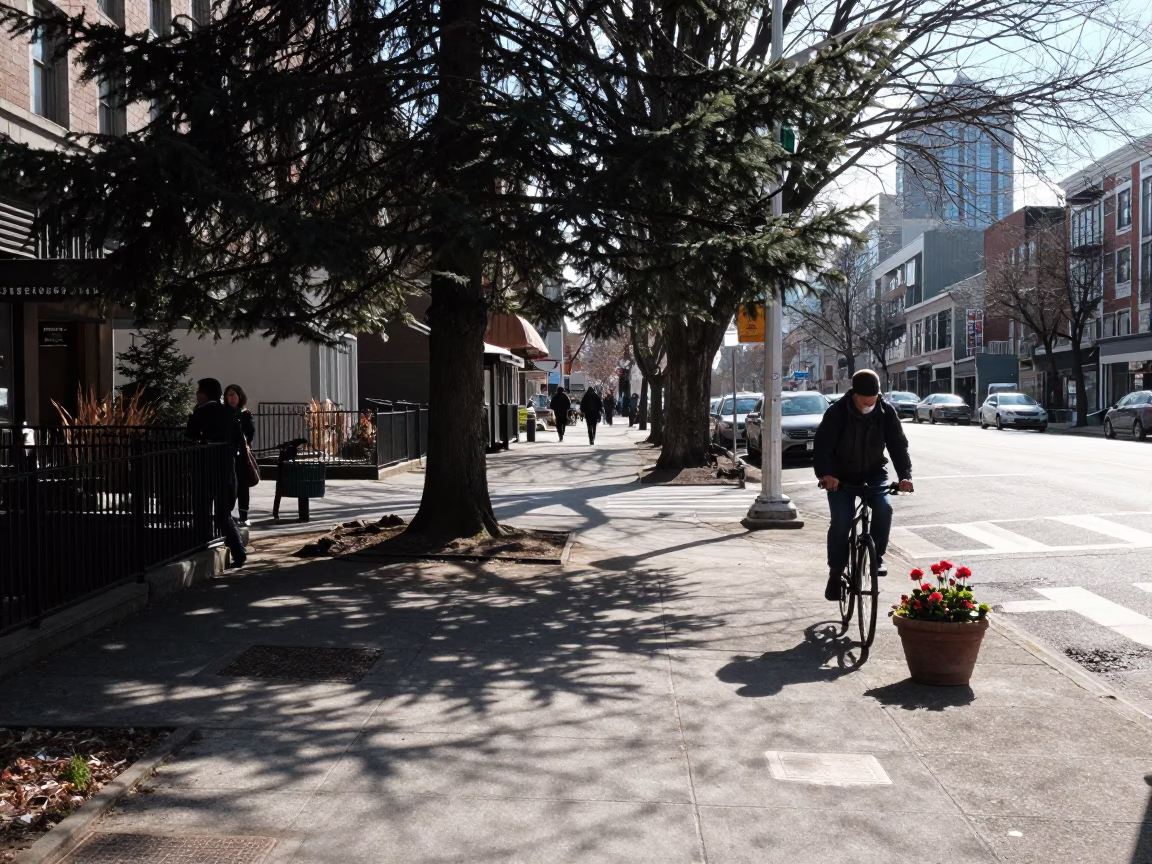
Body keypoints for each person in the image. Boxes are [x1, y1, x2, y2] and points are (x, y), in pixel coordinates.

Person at [813, 369, 914, 601]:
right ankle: (835, 574)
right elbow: (823, 447)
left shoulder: (886, 412)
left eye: (874, 399)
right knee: (841, 522)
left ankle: (876, 557)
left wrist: (905, 476)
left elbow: (898, 446)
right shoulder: (836, 412)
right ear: (854, 394)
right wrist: (827, 474)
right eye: (865, 400)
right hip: (840, 476)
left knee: (884, 508)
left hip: (873, 472)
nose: (870, 403)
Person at [187, 377, 247, 568]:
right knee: (223, 513)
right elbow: (239, 438)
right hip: (226, 467)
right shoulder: (227, 412)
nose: (197, 394)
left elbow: (190, 436)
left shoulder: (201, 412)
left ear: (206, 394)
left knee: (202, 508)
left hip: (205, 466)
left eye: (199, 391)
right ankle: (238, 550)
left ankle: (201, 546)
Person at [224, 384, 256, 526]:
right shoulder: (224, 413)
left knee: (243, 485)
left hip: (242, 454)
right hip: (227, 453)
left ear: (239, 396)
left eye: (233, 394)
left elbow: (250, 433)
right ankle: (227, 514)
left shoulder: (245, 413)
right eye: (228, 395)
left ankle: (244, 515)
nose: (230, 397)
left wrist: (245, 442)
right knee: (229, 485)